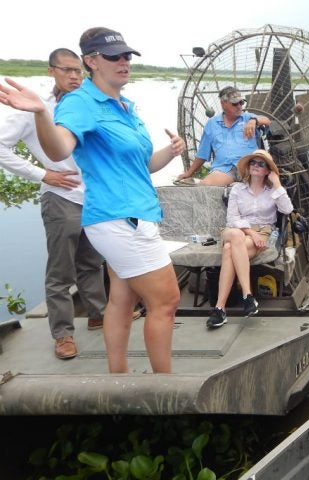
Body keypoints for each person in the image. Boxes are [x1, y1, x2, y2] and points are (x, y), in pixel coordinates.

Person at [0, 27, 186, 374]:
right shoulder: (80, 103)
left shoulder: (124, 105)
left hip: (131, 213)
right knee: (166, 301)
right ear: (91, 61)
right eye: (114, 56)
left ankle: (118, 375)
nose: (124, 62)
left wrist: (171, 153)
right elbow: (59, 148)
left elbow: (141, 166)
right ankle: (165, 389)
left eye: (127, 56)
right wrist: (41, 113)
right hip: (119, 219)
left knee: (121, 298)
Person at [0, 48, 107, 360]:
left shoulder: (86, 105)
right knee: (60, 273)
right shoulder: (35, 108)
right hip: (61, 198)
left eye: (78, 71)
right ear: (51, 72)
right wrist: (42, 174)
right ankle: (62, 334)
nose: (74, 76)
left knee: (91, 262)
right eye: (66, 70)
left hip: (93, 199)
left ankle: (98, 313)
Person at [206, 149, 293, 328]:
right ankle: (248, 295)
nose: (256, 166)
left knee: (229, 249)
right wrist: (251, 233)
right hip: (235, 230)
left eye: (261, 164)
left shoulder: (272, 192)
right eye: (253, 162)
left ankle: (220, 309)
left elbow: (287, 210)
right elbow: (232, 219)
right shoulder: (237, 189)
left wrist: (277, 185)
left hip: (261, 233)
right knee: (236, 236)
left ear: (267, 170)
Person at [175, 87, 271, 186]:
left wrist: (254, 121)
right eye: (235, 104)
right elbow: (202, 154)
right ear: (223, 104)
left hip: (250, 168)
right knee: (205, 186)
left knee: (264, 185)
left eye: (241, 103)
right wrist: (188, 173)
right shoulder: (212, 124)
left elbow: (267, 120)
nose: (239, 106)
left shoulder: (249, 118)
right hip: (224, 169)